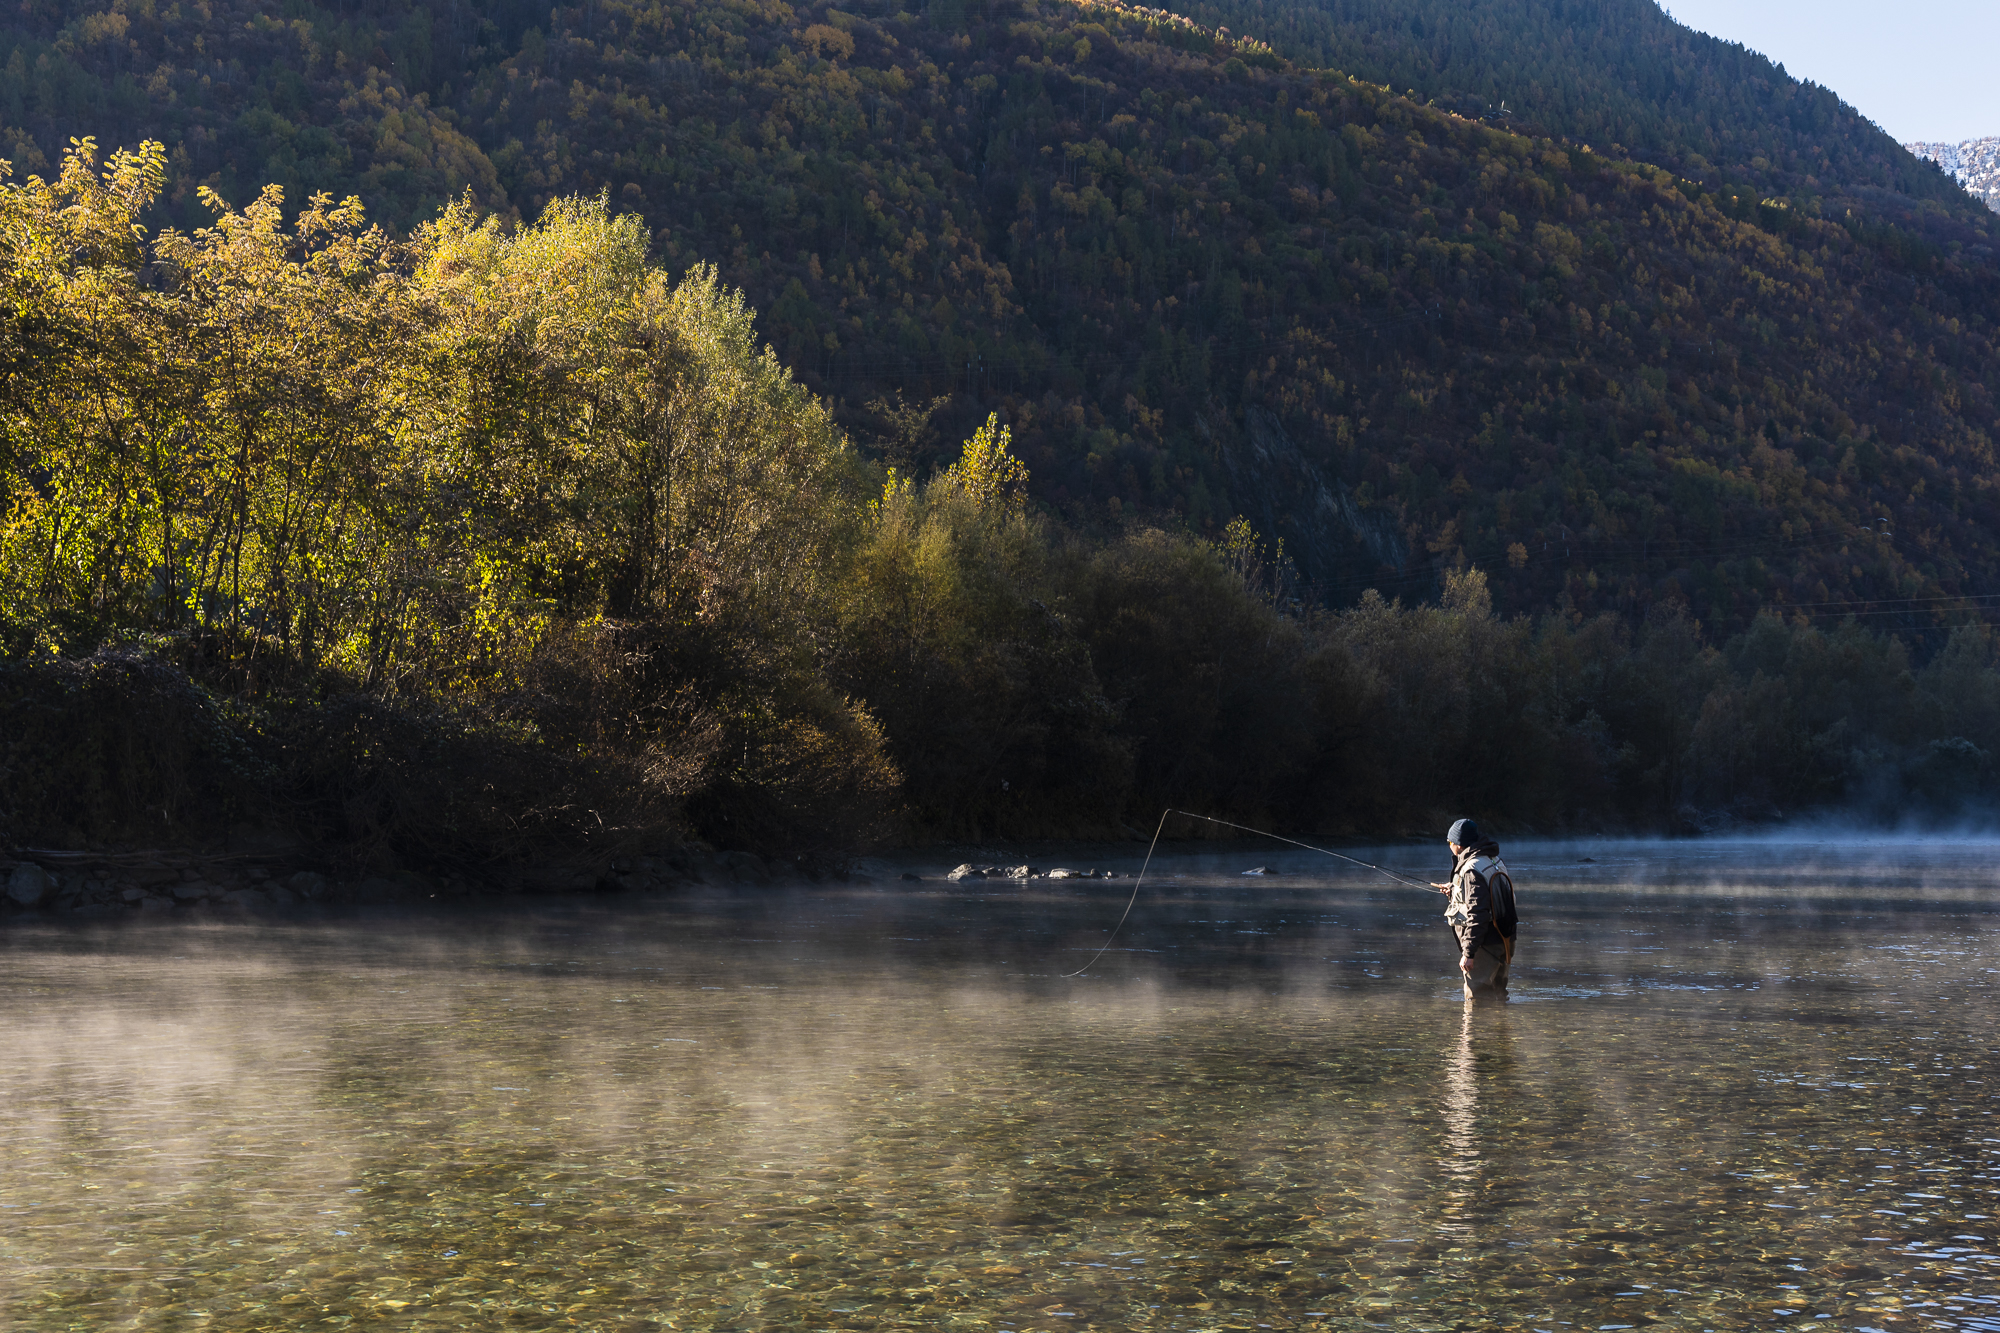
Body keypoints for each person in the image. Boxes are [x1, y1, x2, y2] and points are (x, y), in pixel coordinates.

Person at [1430, 817, 1515, 1002]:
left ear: (1458, 844)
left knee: (1477, 1002)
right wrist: (1456, 889)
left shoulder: (1471, 870)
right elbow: (1488, 895)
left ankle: (1475, 1032)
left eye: (1449, 842)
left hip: (1485, 944)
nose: (1449, 846)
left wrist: (1469, 953)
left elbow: (1478, 914)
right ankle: (1502, 1030)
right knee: (1499, 997)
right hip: (1504, 939)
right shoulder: (1492, 859)